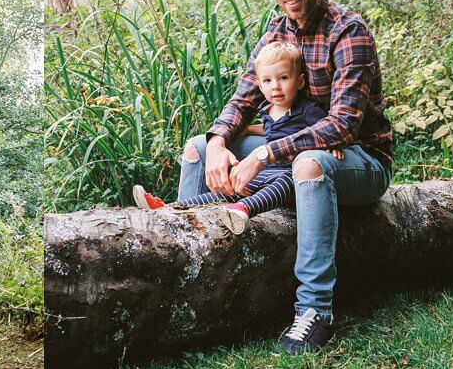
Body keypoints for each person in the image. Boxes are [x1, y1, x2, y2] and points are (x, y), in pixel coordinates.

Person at [174, 0, 392, 355]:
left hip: (360, 160)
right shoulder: (279, 29)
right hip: (305, 150)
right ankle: (195, 272)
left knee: (309, 162)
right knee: (198, 147)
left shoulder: (349, 31)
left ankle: (315, 312)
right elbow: (246, 94)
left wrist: (265, 152)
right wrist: (219, 139)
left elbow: (345, 126)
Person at [134, 42, 339, 236]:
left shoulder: (308, 111)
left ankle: (243, 208)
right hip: (267, 170)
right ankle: (172, 207)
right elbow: (270, 131)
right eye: (268, 81)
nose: (276, 86)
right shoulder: (267, 110)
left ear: (301, 81)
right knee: (234, 187)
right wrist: (248, 129)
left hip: (291, 174)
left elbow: (326, 132)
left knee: (284, 183)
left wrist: (334, 146)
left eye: (284, 78)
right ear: (259, 85)